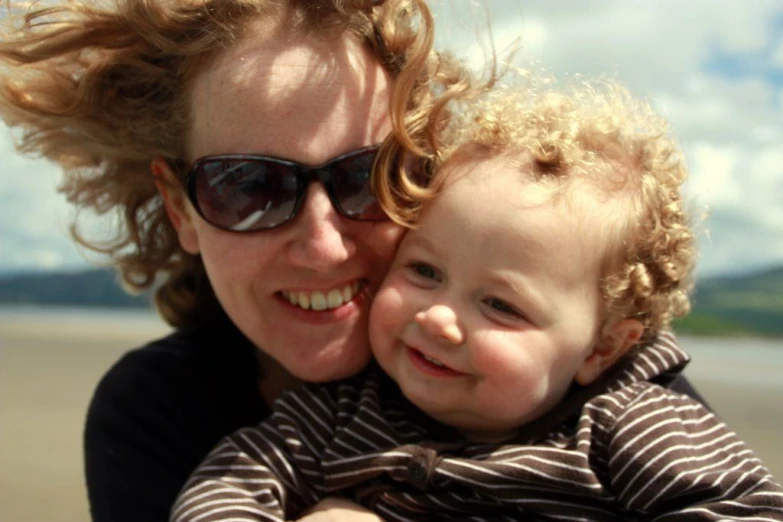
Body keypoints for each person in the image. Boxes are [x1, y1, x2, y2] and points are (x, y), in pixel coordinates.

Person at [0, 1, 712, 521]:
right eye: (248, 186)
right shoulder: (160, 411)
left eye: (363, 177)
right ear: (181, 207)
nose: (322, 244)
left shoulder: (608, 387)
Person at [171, 77, 783, 521]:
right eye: (425, 270)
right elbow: (226, 484)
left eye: (501, 306)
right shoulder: (338, 416)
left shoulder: (624, 427)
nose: (437, 317)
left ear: (602, 346)